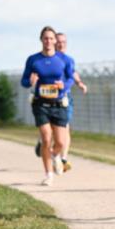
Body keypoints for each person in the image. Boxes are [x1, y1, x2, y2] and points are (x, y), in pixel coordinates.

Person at [21, 26, 73, 186]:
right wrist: (30, 82)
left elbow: (70, 79)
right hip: (40, 103)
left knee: (61, 143)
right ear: (41, 40)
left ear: (55, 41)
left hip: (59, 104)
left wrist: (62, 85)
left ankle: (55, 155)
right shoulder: (33, 60)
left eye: (51, 38)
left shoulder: (65, 60)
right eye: (45, 38)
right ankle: (48, 174)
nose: (48, 41)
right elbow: (23, 81)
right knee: (45, 137)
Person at [35, 32, 88, 172]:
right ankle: (44, 142)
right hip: (48, 98)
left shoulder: (67, 60)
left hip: (65, 98)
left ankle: (62, 158)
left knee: (65, 128)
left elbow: (73, 73)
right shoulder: (49, 59)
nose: (61, 44)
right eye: (58, 41)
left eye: (64, 42)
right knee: (51, 129)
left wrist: (80, 83)